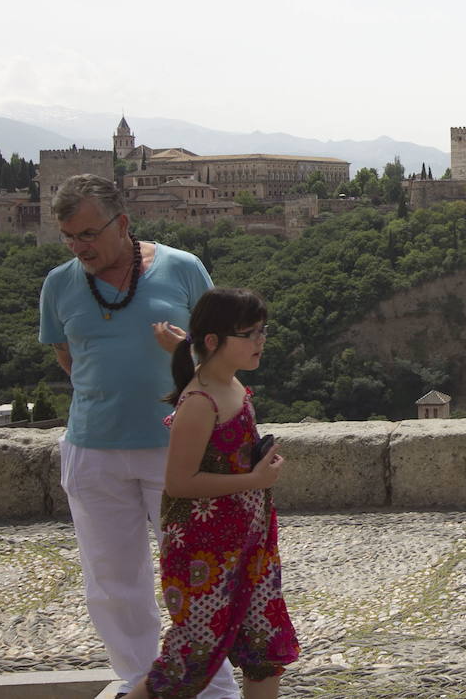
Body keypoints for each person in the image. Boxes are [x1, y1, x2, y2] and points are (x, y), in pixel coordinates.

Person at [38, 175, 238, 699]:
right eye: (68, 237)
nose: (79, 248)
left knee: (198, 576)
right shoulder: (59, 284)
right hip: (92, 451)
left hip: (177, 449)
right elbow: (68, 357)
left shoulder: (182, 268)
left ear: (122, 223)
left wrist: (182, 357)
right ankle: (140, 682)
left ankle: (213, 690)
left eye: (87, 234)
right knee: (112, 584)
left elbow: (221, 355)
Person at [123, 287, 298, 699]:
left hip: (249, 543)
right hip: (207, 553)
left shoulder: (229, 382)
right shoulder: (200, 401)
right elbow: (179, 483)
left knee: (265, 647)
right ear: (215, 342)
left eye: (262, 330)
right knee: (188, 662)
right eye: (250, 333)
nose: (261, 341)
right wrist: (253, 480)